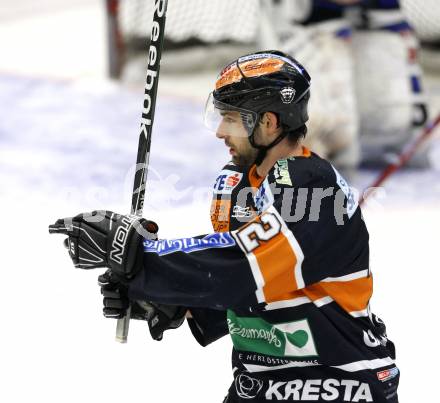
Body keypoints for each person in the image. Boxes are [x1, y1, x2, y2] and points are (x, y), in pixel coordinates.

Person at [49, 50, 399, 402]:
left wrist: (143, 257)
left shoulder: (315, 188)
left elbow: (246, 267)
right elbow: (242, 292)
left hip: (342, 384)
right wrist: (167, 299)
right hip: (262, 386)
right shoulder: (237, 185)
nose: (220, 131)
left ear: (268, 123)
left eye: (232, 118)